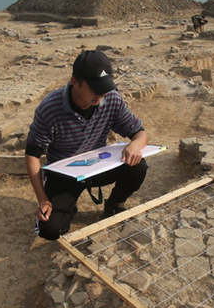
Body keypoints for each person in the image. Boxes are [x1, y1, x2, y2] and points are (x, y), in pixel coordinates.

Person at [25, 49, 149, 240]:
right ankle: (66, 207)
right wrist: (43, 199)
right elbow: (32, 154)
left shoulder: (111, 98)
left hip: (98, 164)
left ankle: (114, 204)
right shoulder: (49, 108)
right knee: (49, 230)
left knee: (138, 166)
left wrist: (134, 145)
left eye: (103, 91)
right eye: (94, 91)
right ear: (75, 81)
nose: (99, 99)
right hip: (64, 173)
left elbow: (140, 134)